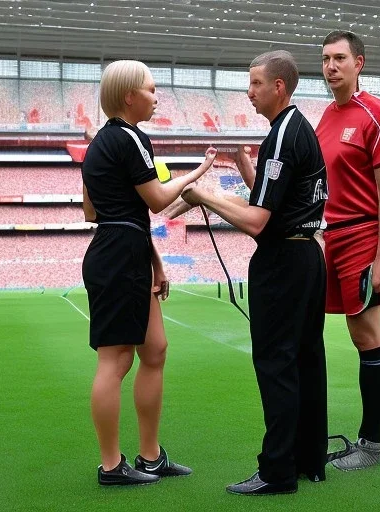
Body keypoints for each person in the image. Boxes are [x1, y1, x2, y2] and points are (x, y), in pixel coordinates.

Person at [181, 50, 328, 495]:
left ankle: (277, 471)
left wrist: (204, 196)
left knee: (276, 363)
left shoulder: (281, 136)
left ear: (278, 86)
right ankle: (309, 461)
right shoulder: (296, 129)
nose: (249, 93)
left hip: (282, 263)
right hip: (307, 259)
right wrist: (249, 170)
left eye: (255, 84)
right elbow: (279, 201)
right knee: (306, 360)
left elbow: (258, 221)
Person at [81, 60, 217, 486]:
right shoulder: (130, 137)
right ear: (129, 96)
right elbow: (157, 201)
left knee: (154, 350)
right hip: (120, 257)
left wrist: (155, 264)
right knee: (116, 360)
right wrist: (197, 174)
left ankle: (151, 457)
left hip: (123, 251)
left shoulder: (102, 144)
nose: (157, 98)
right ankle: (110, 466)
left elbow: (95, 211)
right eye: (152, 89)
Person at [316, 31, 380, 471]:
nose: (331, 66)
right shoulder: (325, 117)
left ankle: (372, 445)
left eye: (340, 58)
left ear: (359, 63)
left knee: (368, 336)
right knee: (353, 335)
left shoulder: (376, 112)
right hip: (330, 237)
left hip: (363, 237)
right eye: (326, 58)